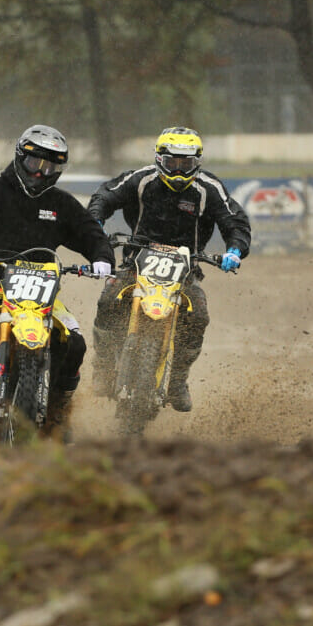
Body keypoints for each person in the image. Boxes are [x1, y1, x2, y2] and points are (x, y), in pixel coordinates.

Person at [0, 124, 115, 429]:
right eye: (35, 163)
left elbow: (92, 234)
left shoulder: (61, 203)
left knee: (76, 344)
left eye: (51, 167)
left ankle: (59, 406)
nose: (41, 173)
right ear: (20, 158)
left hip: (43, 298)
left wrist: (103, 259)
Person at [86, 126, 250, 412]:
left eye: (185, 163)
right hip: (136, 264)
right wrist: (95, 222)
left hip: (185, 272)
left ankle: (177, 380)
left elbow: (234, 220)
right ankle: (103, 366)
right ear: (159, 159)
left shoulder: (209, 188)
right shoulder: (141, 179)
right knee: (108, 299)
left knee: (198, 316)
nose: (178, 169)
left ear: (197, 162)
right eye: (172, 162)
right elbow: (105, 196)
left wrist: (235, 249)